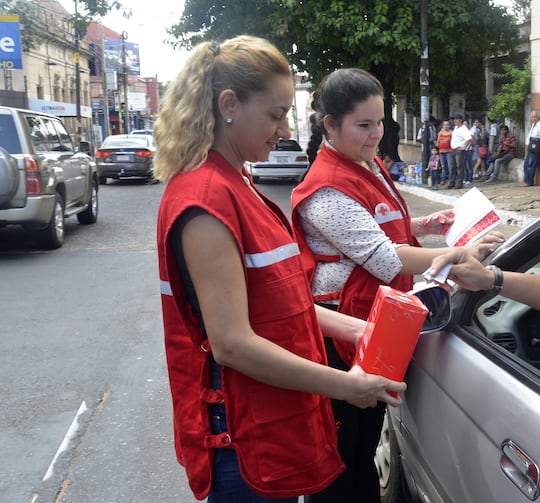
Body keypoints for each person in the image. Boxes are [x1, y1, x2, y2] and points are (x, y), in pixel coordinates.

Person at [152, 37, 406, 503]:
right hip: (244, 433)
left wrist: (357, 328)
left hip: (271, 418)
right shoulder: (206, 199)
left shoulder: (236, 181)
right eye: (275, 115)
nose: (285, 129)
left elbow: (278, 301)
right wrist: (347, 386)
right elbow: (233, 344)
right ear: (229, 106)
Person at [290, 67, 505, 503]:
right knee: (340, 459)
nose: (376, 134)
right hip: (341, 333)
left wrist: (426, 225)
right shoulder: (326, 189)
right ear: (330, 125)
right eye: (363, 125)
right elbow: (385, 258)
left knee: (365, 444)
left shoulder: (364, 164)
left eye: (380, 122)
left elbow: (384, 225)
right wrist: (461, 253)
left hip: (376, 320)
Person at [521, 111, 540, 187]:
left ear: (537, 117)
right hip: (531, 144)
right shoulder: (533, 125)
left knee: (531, 164)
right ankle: (527, 180)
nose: (533, 118)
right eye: (532, 117)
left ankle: (528, 181)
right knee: (526, 164)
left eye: (534, 117)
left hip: (535, 144)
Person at [448, 115, 474, 189]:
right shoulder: (456, 128)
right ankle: (452, 182)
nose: (455, 121)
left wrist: (464, 147)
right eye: (454, 119)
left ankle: (459, 183)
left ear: (460, 120)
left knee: (459, 167)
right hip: (454, 149)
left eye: (456, 119)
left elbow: (469, 138)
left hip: (459, 150)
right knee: (453, 167)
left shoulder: (463, 129)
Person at [436, 119, 453, 186]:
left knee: (450, 166)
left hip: (449, 151)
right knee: (443, 167)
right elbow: (438, 142)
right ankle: (443, 180)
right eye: (445, 125)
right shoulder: (440, 133)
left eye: (447, 125)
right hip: (441, 151)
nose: (446, 126)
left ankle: (450, 180)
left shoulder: (451, 133)